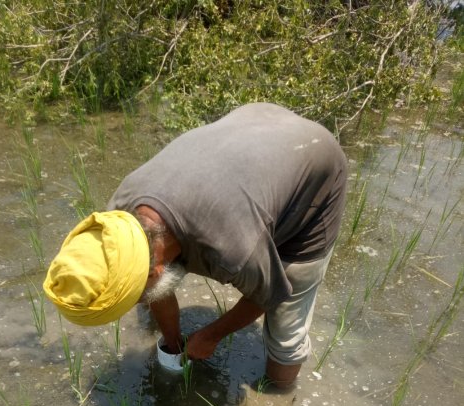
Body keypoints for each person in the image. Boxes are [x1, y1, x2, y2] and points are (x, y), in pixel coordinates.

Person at [44, 103, 347, 389]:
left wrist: (212, 335)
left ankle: (280, 397)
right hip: (254, 126)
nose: (139, 302)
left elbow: (268, 295)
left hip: (314, 159)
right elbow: (152, 286)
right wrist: (174, 341)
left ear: (154, 271)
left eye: (137, 297)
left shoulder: (233, 250)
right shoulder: (118, 220)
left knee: (287, 321)